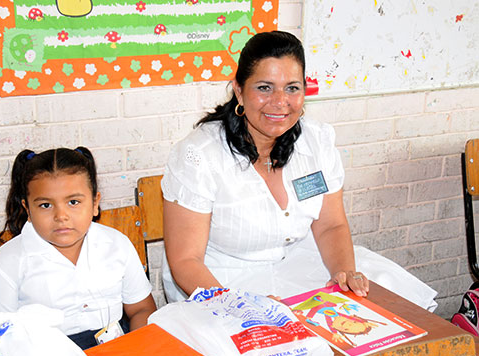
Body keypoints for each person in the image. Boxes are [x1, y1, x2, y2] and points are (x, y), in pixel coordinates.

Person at [160, 31, 437, 310]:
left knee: (385, 307)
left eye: (292, 88)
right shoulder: (199, 154)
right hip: (222, 283)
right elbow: (185, 261)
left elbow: (331, 224)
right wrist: (239, 307)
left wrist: (343, 272)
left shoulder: (316, 140)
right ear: (239, 91)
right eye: (265, 88)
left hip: (299, 264)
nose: (280, 102)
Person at [0, 147, 156, 356]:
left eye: (73, 202)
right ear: (28, 209)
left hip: (117, 350)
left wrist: (135, 352)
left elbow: (141, 309)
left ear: (95, 203)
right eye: (45, 205)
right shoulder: (6, 263)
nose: (61, 216)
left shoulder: (116, 244)